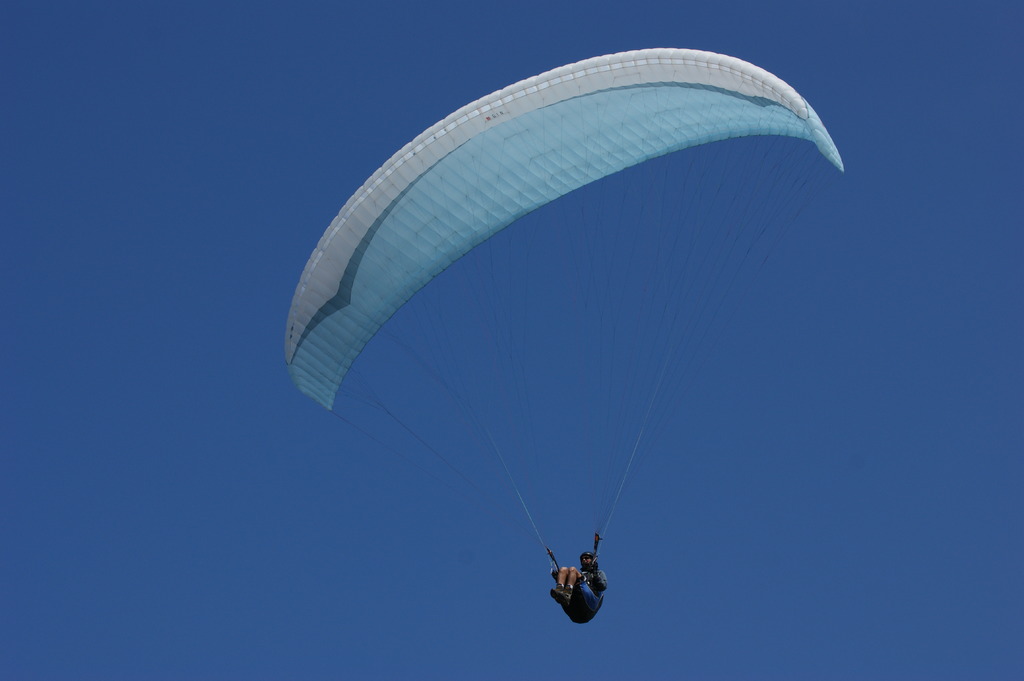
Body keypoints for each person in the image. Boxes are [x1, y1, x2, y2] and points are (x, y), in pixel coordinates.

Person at [550, 551, 607, 623]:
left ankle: (567, 594)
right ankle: (560, 591)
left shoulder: (598, 573)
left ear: (592, 560)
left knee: (572, 569)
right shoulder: (578, 575)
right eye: (582, 559)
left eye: (586, 558)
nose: (584, 560)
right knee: (563, 570)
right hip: (575, 609)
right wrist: (558, 577)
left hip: (589, 603)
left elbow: (603, 586)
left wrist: (595, 573)